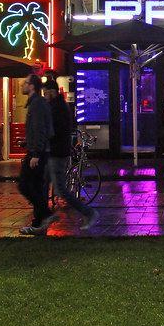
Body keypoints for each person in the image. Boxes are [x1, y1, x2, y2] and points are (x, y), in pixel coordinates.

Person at [43, 79, 99, 229]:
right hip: (55, 151)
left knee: (60, 189)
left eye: (46, 92)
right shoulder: (57, 105)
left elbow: (55, 129)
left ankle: (88, 212)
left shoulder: (57, 107)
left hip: (57, 152)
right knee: (44, 183)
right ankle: (45, 215)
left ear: (52, 91)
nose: (45, 95)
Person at [18, 74, 56, 235]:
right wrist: (28, 141)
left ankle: (46, 215)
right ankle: (39, 222)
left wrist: (36, 153)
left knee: (25, 185)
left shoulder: (37, 104)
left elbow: (41, 129)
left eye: (25, 83)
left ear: (32, 86)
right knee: (35, 187)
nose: (22, 85)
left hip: (38, 154)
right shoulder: (36, 103)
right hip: (38, 151)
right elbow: (38, 129)